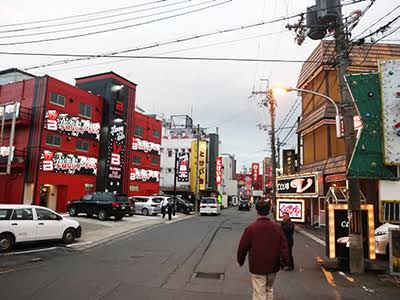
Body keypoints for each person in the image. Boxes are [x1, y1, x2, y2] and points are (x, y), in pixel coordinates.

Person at [237, 199, 289, 300]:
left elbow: (243, 246)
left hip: (257, 266)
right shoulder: (277, 227)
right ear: (269, 210)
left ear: (257, 211)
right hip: (273, 265)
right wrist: (286, 262)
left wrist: (240, 260)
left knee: (259, 292)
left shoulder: (251, 228)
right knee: (269, 289)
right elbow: (284, 246)